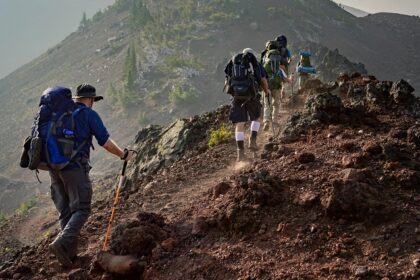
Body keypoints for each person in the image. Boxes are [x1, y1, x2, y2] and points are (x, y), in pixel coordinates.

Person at [48, 83, 134, 267]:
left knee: (67, 211)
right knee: (82, 209)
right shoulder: (88, 114)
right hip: (74, 168)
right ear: (89, 99)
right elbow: (104, 141)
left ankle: (69, 257)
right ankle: (61, 243)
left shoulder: (59, 114)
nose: (93, 103)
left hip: (53, 168)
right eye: (93, 100)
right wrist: (123, 154)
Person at [224, 48, 270, 161]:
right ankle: (252, 140)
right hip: (251, 96)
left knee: (239, 124)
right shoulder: (255, 64)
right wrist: (266, 91)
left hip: (236, 97)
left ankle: (240, 153)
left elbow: (227, 81)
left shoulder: (234, 64)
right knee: (256, 118)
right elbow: (263, 80)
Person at [261, 41, 293, 132]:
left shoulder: (265, 57)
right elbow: (283, 72)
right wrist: (289, 79)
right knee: (276, 104)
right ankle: (274, 121)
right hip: (277, 85)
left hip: (267, 85)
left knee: (267, 104)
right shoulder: (280, 58)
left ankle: (266, 121)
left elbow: (261, 72)